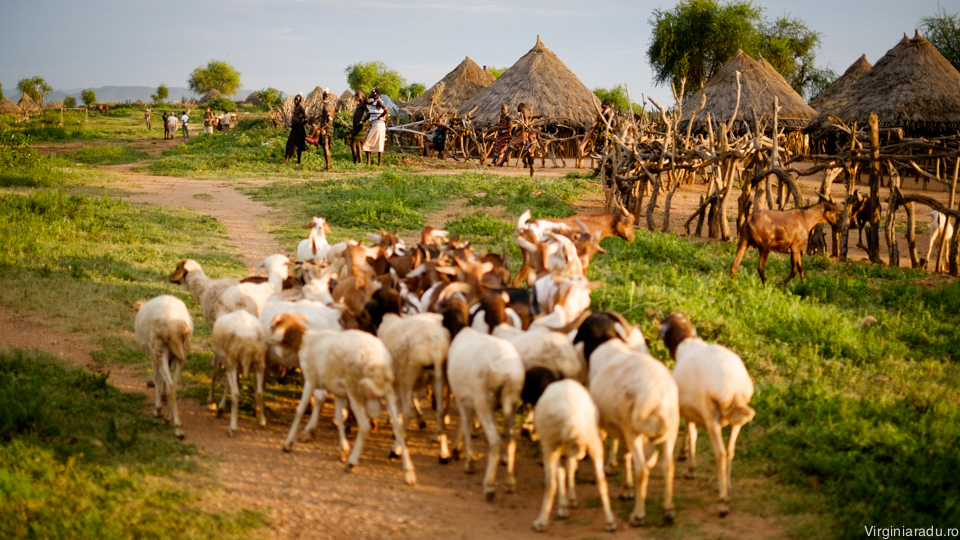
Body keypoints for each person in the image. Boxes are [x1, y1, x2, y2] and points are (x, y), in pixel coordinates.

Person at [362, 88, 388, 166]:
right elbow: (366, 102)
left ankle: (369, 162)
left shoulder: (378, 102)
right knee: (379, 142)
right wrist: (368, 97)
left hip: (378, 124)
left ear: (375, 94)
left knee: (367, 142)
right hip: (378, 125)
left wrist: (380, 116)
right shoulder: (374, 102)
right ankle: (378, 163)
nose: (370, 94)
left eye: (371, 93)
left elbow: (386, 110)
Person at [317, 88, 337, 170]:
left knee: (325, 147)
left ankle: (328, 166)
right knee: (327, 147)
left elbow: (329, 118)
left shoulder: (326, 106)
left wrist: (323, 128)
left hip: (326, 127)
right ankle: (329, 164)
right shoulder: (333, 106)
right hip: (331, 127)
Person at [285, 93, 307, 164]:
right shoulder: (295, 108)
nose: (295, 101)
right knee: (289, 143)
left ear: (300, 101)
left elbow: (306, 118)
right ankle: (286, 159)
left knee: (299, 144)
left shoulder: (301, 109)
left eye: (297, 100)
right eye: (295, 99)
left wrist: (302, 123)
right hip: (294, 128)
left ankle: (298, 160)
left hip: (299, 129)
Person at [349, 90, 367, 164]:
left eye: (357, 96)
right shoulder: (360, 104)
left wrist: (362, 122)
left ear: (362, 96)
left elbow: (368, 113)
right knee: (358, 144)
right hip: (357, 126)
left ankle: (355, 160)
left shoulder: (363, 104)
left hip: (359, 126)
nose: (356, 97)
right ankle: (360, 160)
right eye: (356, 96)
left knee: (353, 143)